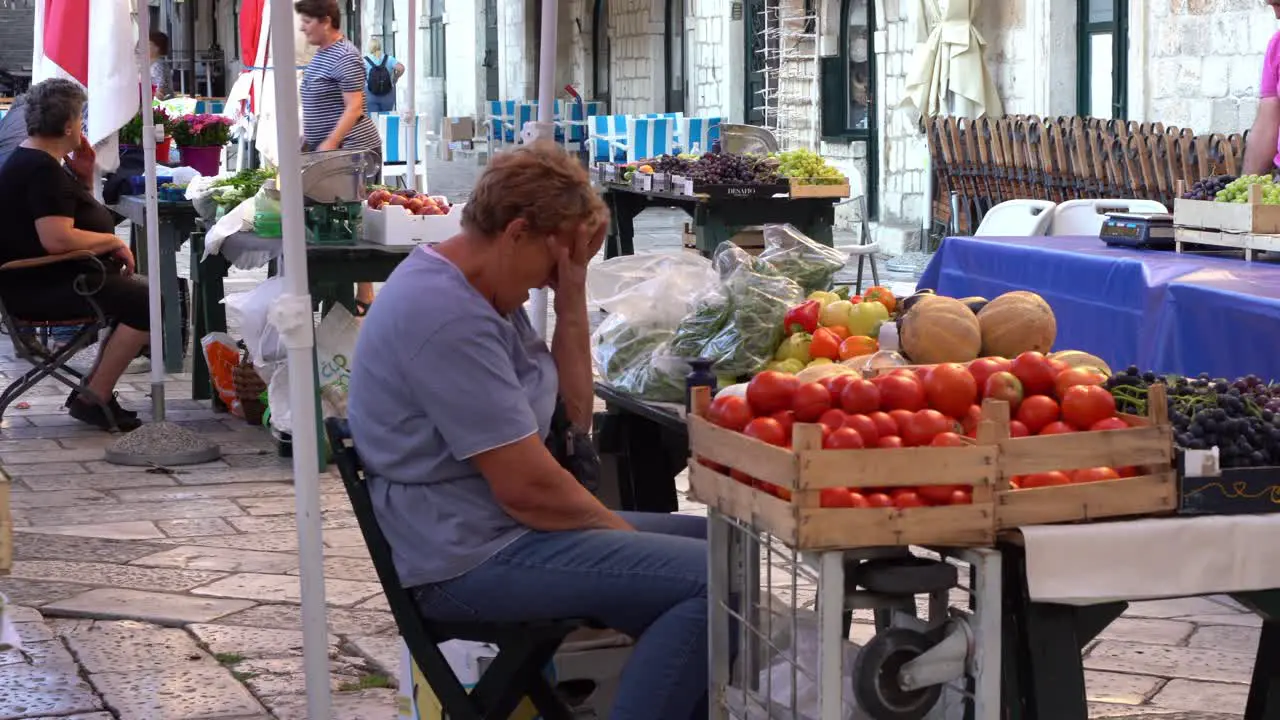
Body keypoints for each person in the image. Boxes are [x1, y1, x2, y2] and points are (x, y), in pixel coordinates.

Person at [347, 142, 712, 720]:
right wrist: (621, 536)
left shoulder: (486, 289)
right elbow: (528, 489)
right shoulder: (445, 314)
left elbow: (574, 412)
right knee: (714, 583)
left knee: (727, 552)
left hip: (496, 529)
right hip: (466, 556)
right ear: (517, 232)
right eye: (554, 263)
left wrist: (572, 291)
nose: (549, 282)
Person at [0, 79, 148, 431]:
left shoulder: (41, 161)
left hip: (48, 278)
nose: (83, 124)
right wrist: (112, 243)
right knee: (147, 301)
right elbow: (57, 238)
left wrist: (84, 177)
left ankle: (93, 393)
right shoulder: (41, 169)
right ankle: (93, 397)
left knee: (138, 293)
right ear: (68, 125)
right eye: (81, 117)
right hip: (39, 287)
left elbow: (74, 214)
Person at [295, 0, 382, 313]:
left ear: (327, 20)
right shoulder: (321, 55)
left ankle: (358, 293)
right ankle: (358, 294)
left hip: (353, 151)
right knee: (341, 220)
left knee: (350, 219)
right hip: (328, 151)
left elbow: (354, 107)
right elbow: (320, 105)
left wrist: (330, 141)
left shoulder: (346, 56)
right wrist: (307, 139)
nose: (303, 27)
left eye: (307, 21)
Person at [363, 37, 404, 113]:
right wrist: (395, 78)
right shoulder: (389, 58)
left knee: (373, 119)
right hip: (387, 94)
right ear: (379, 46)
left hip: (370, 94)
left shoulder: (364, 60)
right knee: (386, 118)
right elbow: (401, 68)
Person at [149, 31, 173, 100]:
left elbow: (160, 87)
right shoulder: (151, 63)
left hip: (161, 103)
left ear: (157, 48)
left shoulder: (158, 65)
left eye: (149, 44)